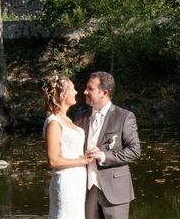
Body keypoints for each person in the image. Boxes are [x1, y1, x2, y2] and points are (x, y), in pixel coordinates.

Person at [75, 71, 141, 219]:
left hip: (116, 190)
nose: (85, 91)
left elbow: (135, 151)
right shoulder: (79, 117)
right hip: (86, 189)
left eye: (90, 89)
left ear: (104, 92)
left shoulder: (124, 117)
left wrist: (104, 156)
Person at [43, 74, 91, 219]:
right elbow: (53, 160)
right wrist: (82, 160)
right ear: (63, 95)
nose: (76, 92)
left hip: (77, 182)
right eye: (73, 89)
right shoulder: (54, 122)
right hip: (66, 183)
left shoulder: (67, 119)